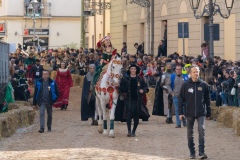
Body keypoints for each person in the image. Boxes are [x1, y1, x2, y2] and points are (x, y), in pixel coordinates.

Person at [178, 65, 211, 159]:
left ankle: (201, 152)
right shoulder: (185, 85)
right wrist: (180, 112)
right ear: (190, 73)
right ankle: (192, 153)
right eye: (194, 72)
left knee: (201, 131)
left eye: (197, 71)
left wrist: (208, 112)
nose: (196, 73)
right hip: (189, 113)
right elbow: (181, 99)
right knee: (189, 133)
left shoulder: (204, 85)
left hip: (201, 112)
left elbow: (207, 100)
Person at [119, 64, 149, 137]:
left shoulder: (140, 79)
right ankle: (129, 130)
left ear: (136, 70)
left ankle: (133, 131)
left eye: (134, 69)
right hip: (129, 100)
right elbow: (121, 88)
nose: (133, 70)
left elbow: (146, 88)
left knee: (136, 115)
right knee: (129, 114)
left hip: (138, 100)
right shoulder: (125, 79)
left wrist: (143, 90)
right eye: (132, 69)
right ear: (129, 70)